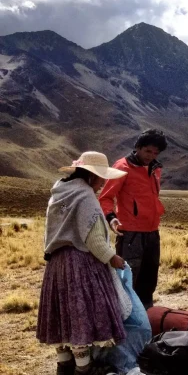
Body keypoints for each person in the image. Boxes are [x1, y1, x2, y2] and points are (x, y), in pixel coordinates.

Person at [37, 151, 128, 375]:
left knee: (62, 315)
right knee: (80, 317)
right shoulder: (85, 196)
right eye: (101, 178)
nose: (102, 184)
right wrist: (113, 258)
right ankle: (83, 369)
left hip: (57, 263)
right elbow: (94, 239)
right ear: (92, 176)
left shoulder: (59, 192)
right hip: (80, 264)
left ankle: (64, 364)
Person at [99, 129, 167, 308]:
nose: (151, 156)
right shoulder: (122, 167)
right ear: (138, 147)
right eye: (147, 151)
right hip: (131, 234)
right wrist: (112, 218)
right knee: (128, 280)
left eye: (155, 153)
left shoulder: (155, 168)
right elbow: (105, 197)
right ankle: (124, 322)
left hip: (152, 232)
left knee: (149, 279)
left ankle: (146, 318)